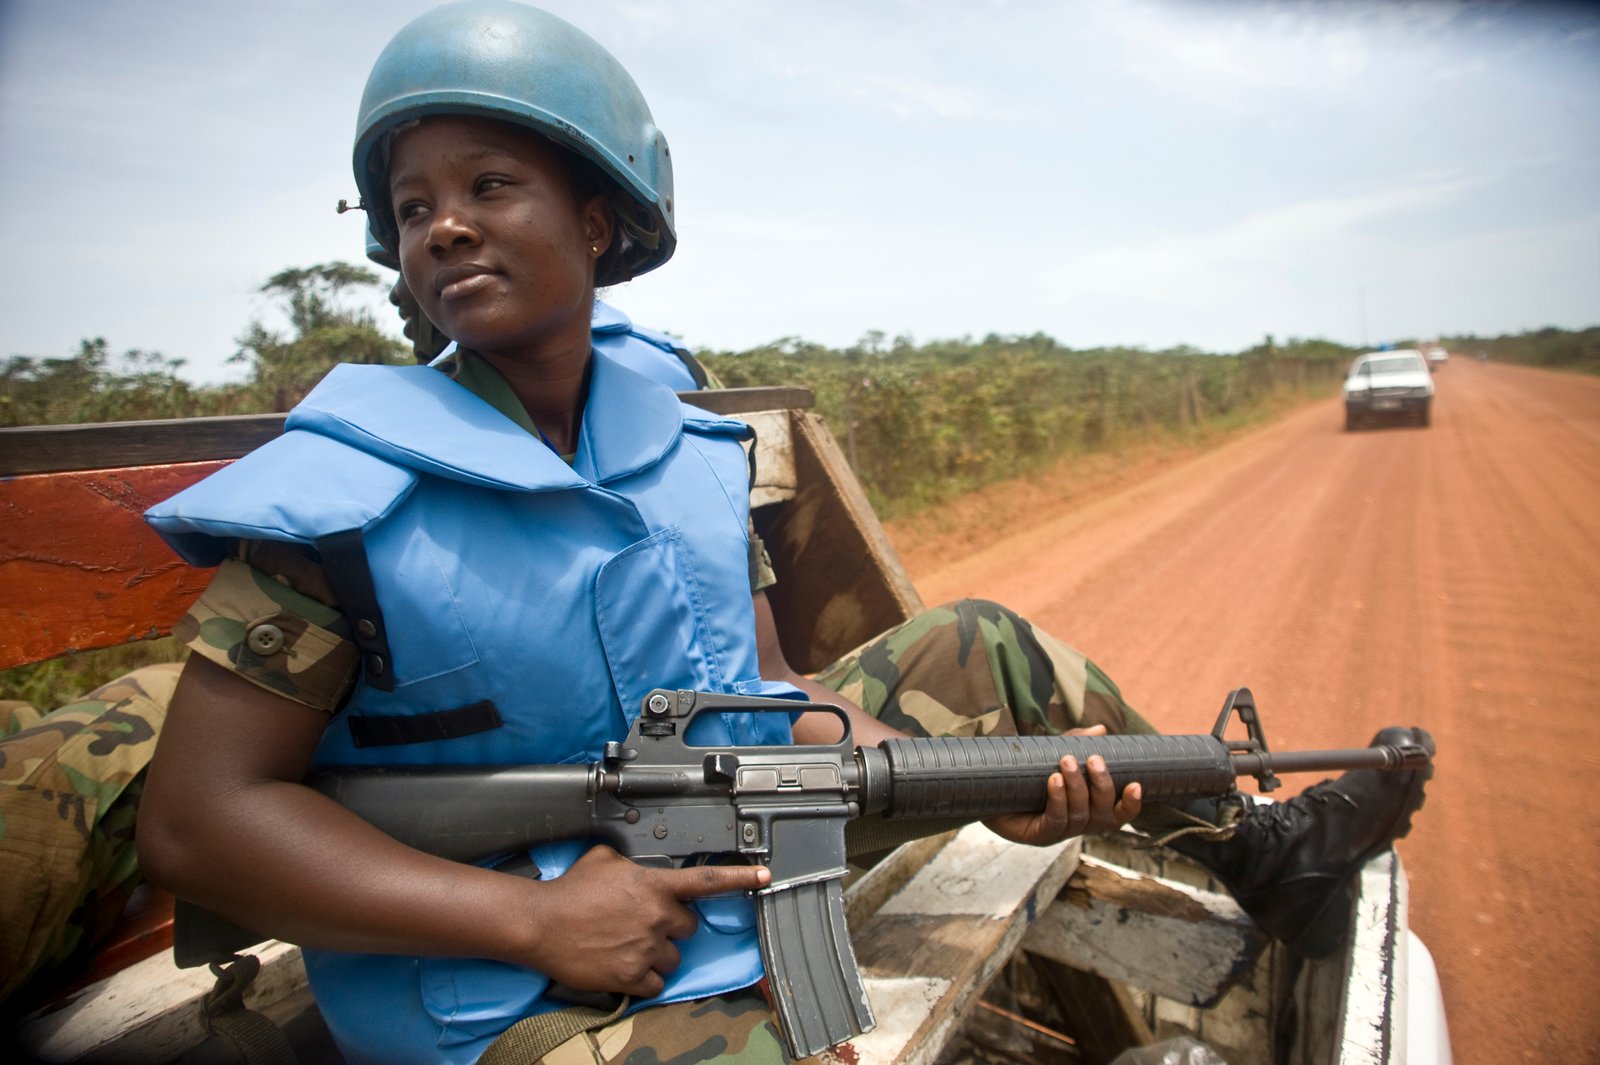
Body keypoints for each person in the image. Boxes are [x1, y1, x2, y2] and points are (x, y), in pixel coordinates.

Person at [137, 4, 1432, 1064]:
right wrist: (528, 918)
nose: (448, 224)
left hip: (718, 873)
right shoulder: (348, 495)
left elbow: (769, 700)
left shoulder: (689, 452)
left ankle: (1249, 846)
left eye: (490, 183)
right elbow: (199, 822)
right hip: (492, 984)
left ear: (599, 220)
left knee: (992, 667)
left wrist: (1001, 793)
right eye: (415, 207)